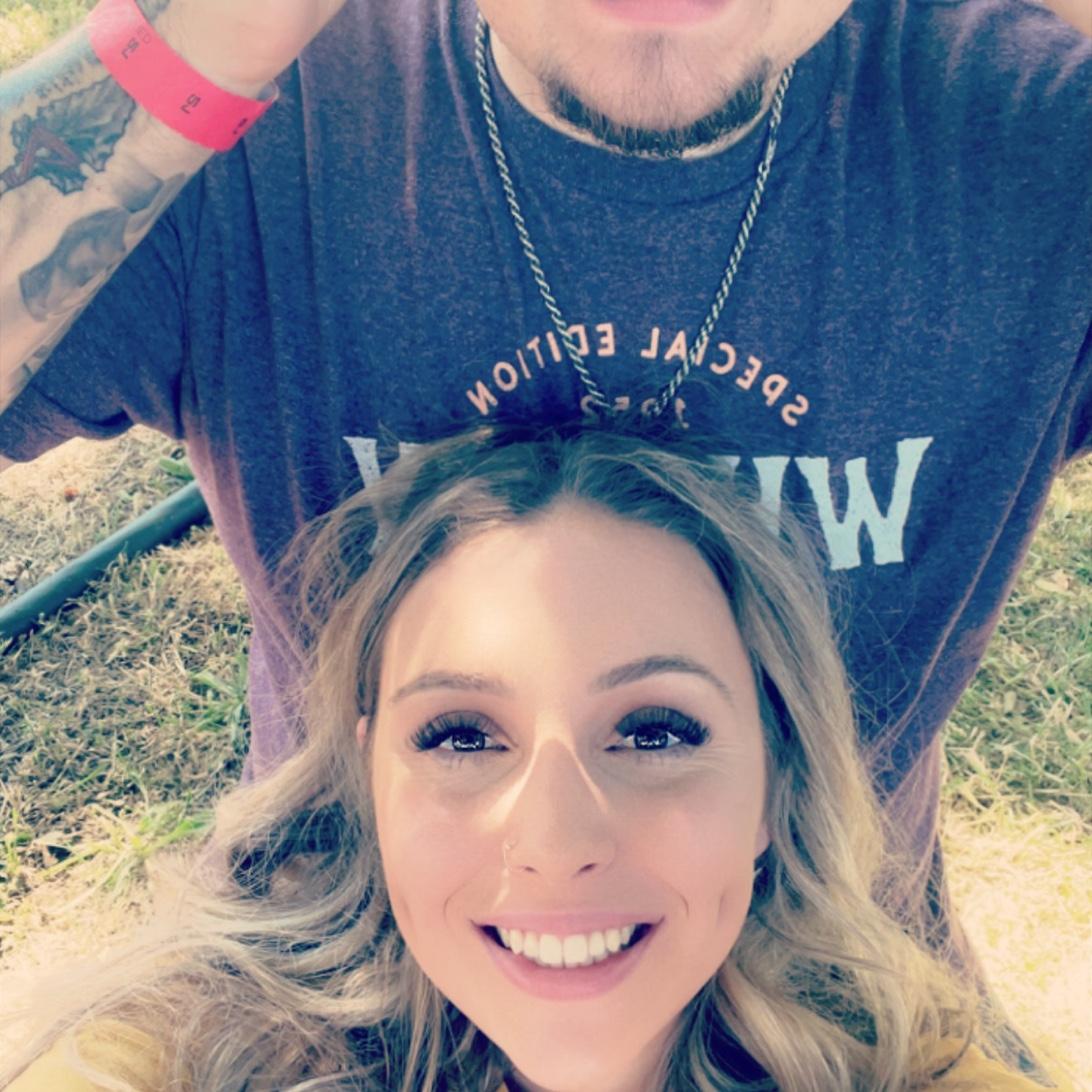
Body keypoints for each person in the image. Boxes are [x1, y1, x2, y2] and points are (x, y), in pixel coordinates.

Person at [0, 0, 1089, 969]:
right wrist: (202, 43)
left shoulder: (1031, 124)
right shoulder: (245, 110)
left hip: (845, 1019)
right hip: (329, 1002)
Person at [0, 423, 1062, 1092]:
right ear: (368, 785)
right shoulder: (184, 1058)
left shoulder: (907, 1064)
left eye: (656, 731)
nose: (553, 843)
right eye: (460, 736)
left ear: (775, 785)